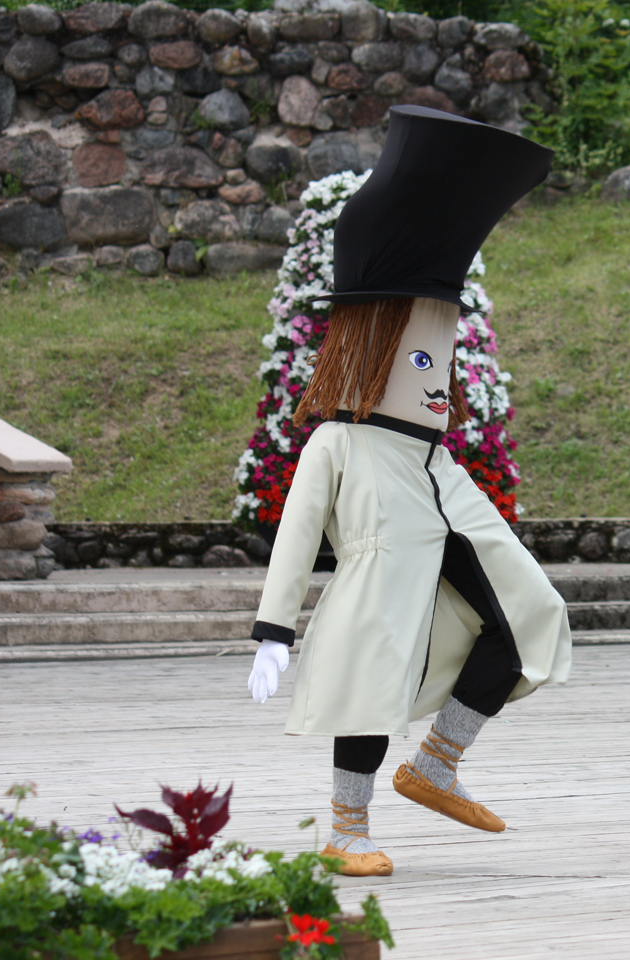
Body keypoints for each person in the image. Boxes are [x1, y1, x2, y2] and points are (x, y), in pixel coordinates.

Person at [245, 107, 571, 877]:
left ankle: (436, 763)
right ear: (373, 351)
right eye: (422, 361)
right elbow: (297, 535)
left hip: (431, 546)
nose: (438, 380)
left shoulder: (437, 460)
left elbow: (486, 551)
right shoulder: (339, 442)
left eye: (443, 361)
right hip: (372, 591)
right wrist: (273, 631)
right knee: (368, 684)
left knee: (530, 619)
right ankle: (346, 828)